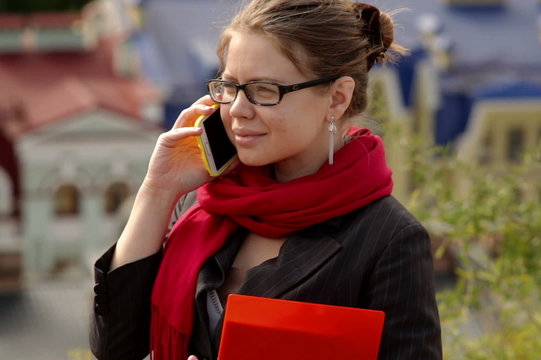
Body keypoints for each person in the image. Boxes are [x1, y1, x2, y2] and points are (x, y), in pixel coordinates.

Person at [89, 1, 442, 359]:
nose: (238, 109)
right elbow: (115, 347)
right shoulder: (203, 203)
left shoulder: (388, 239)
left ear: (337, 98)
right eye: (229, 87)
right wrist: (157, 191)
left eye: (264, 90)